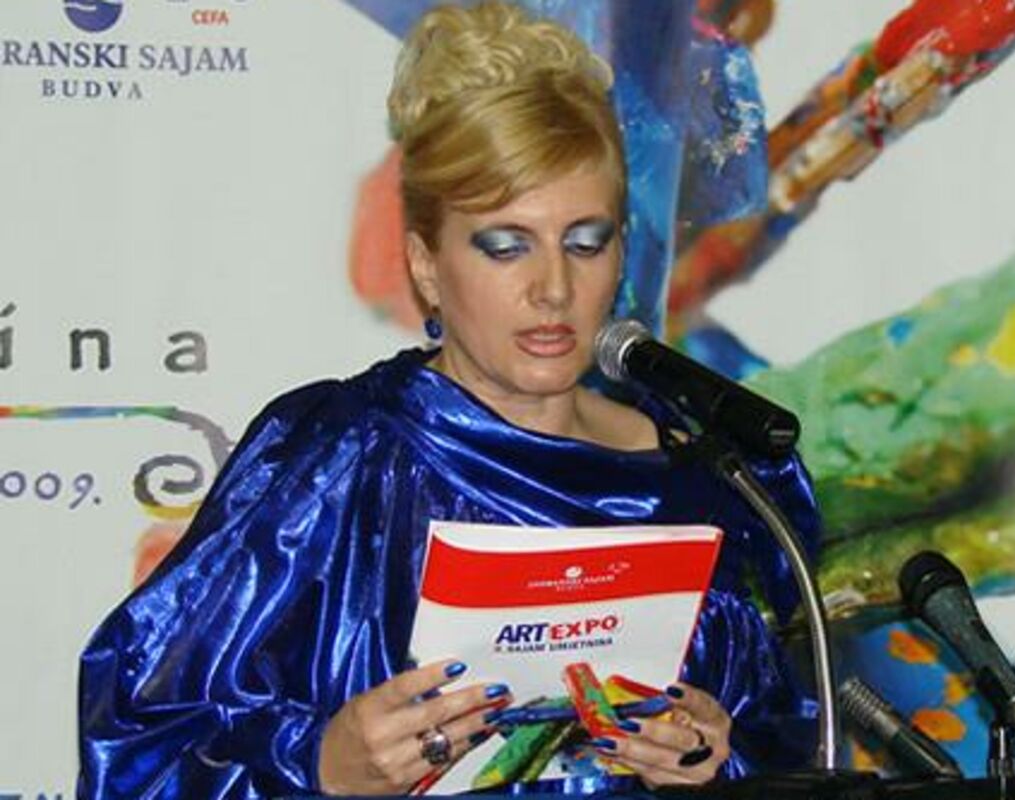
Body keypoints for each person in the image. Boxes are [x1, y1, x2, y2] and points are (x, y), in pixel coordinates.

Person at [77, 3, 820, 797]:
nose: (553, 287)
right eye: (505, 245)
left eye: (585, 241)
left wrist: (716, 758)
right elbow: (140, 742)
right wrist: (321, 764)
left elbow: (793, 736)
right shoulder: (335, 462)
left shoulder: (705, 479)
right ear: (426, 264)